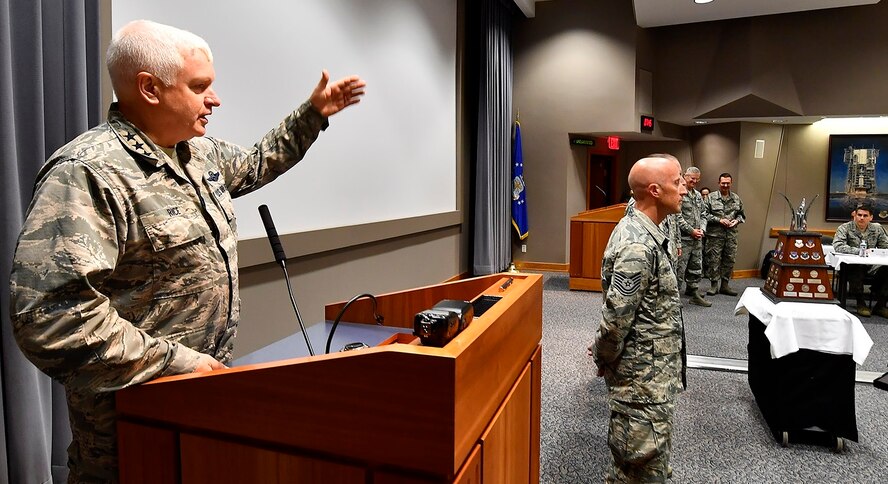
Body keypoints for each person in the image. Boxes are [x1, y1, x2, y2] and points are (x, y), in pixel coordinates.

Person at [9, 20, 365, 482]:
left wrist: (313, 114)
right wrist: (177, 363)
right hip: (129, 436)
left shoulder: (197, 154)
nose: (213, 100)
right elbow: (50, 317)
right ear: (149, 88)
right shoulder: (88, 173)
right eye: (200, 87)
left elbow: (259, 162)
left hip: (199, 410)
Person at [589, 154, 687, 483]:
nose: (685, 189)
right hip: (640, 382)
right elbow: (616, 321)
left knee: (647, 463)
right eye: (678, 182)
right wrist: (604, 357)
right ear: (656, 191)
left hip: (651, 377)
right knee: (637, 467)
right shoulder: (636, 246)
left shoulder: (649, 229)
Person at [832, 205, 888, 317]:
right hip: (853, 266)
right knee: (856, 268)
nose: (861, 218)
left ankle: (881, 304)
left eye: (865, 215)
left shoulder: (877, 228)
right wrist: (860, 251)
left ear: (870, 217)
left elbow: (885, 246)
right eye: (859, 215)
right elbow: (838, 246)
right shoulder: (845, 228)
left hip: (872, 265)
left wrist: (877, 252)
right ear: (854, 215)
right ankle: (860, 302)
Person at [703, 173, 745, 296]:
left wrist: (736, 221)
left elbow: (741, 215)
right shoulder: (710, 197)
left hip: (731, 236)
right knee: (713, 260)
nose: (725, 185)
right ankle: (714, 285)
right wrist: (719, 220)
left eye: (728, 183)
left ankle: (725, 285)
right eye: (723, 183)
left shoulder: (736, 198)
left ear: (731, 183)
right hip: (715, 236)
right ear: (719, 183)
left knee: (729, 260)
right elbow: (704, 214)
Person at [676, 167, 711, 307]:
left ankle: (693, 292)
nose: (694, 181)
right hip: (684, 239)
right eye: (692, 178)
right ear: (685, 176)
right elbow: (677, 216)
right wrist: (691, 231)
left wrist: (702, 229)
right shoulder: (680, 193)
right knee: (679, 269)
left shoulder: (697, 195)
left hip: (697, 238)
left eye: (697, 179)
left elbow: (704, 213)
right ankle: (675, 297)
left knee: (696, 266)